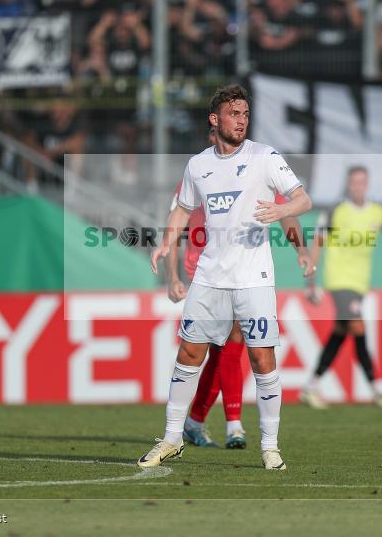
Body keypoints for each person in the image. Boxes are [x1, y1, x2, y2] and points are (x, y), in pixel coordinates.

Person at [139, 84, 312, 471]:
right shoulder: (198, 165)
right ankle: (171, 439)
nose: (242, 121)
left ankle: (270, 446)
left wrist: (282, 212)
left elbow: (302, 199)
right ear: (215, 119)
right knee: (188, 354)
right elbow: (182, 210)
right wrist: (165, 244)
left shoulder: (265, 157)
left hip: (254, 278)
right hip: (209, 277)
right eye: (234, 114)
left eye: (246, 114)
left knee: (261, 358)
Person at [167, 128, 314, 450]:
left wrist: (300, 250)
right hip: (204, 270)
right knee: (216, 349)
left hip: (241, 271)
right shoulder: (197, 172)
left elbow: (284, 211)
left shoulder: (252, 171)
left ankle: (204, 422)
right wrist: (172, 275)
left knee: (223, 349)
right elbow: (174, 224)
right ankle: (224, 423)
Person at [300, 165, 382, 410]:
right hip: (339, 279)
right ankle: (375, 389)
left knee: (341, 331)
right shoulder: (336, 211)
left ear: (367, 184)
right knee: (357, 324)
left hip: (360, 281)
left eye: (362, 182)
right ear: (348, 185)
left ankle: (310, 386)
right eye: (354, 182)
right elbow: (318, 243)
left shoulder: (378, 211)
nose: (358, 186)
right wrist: (311, 280)